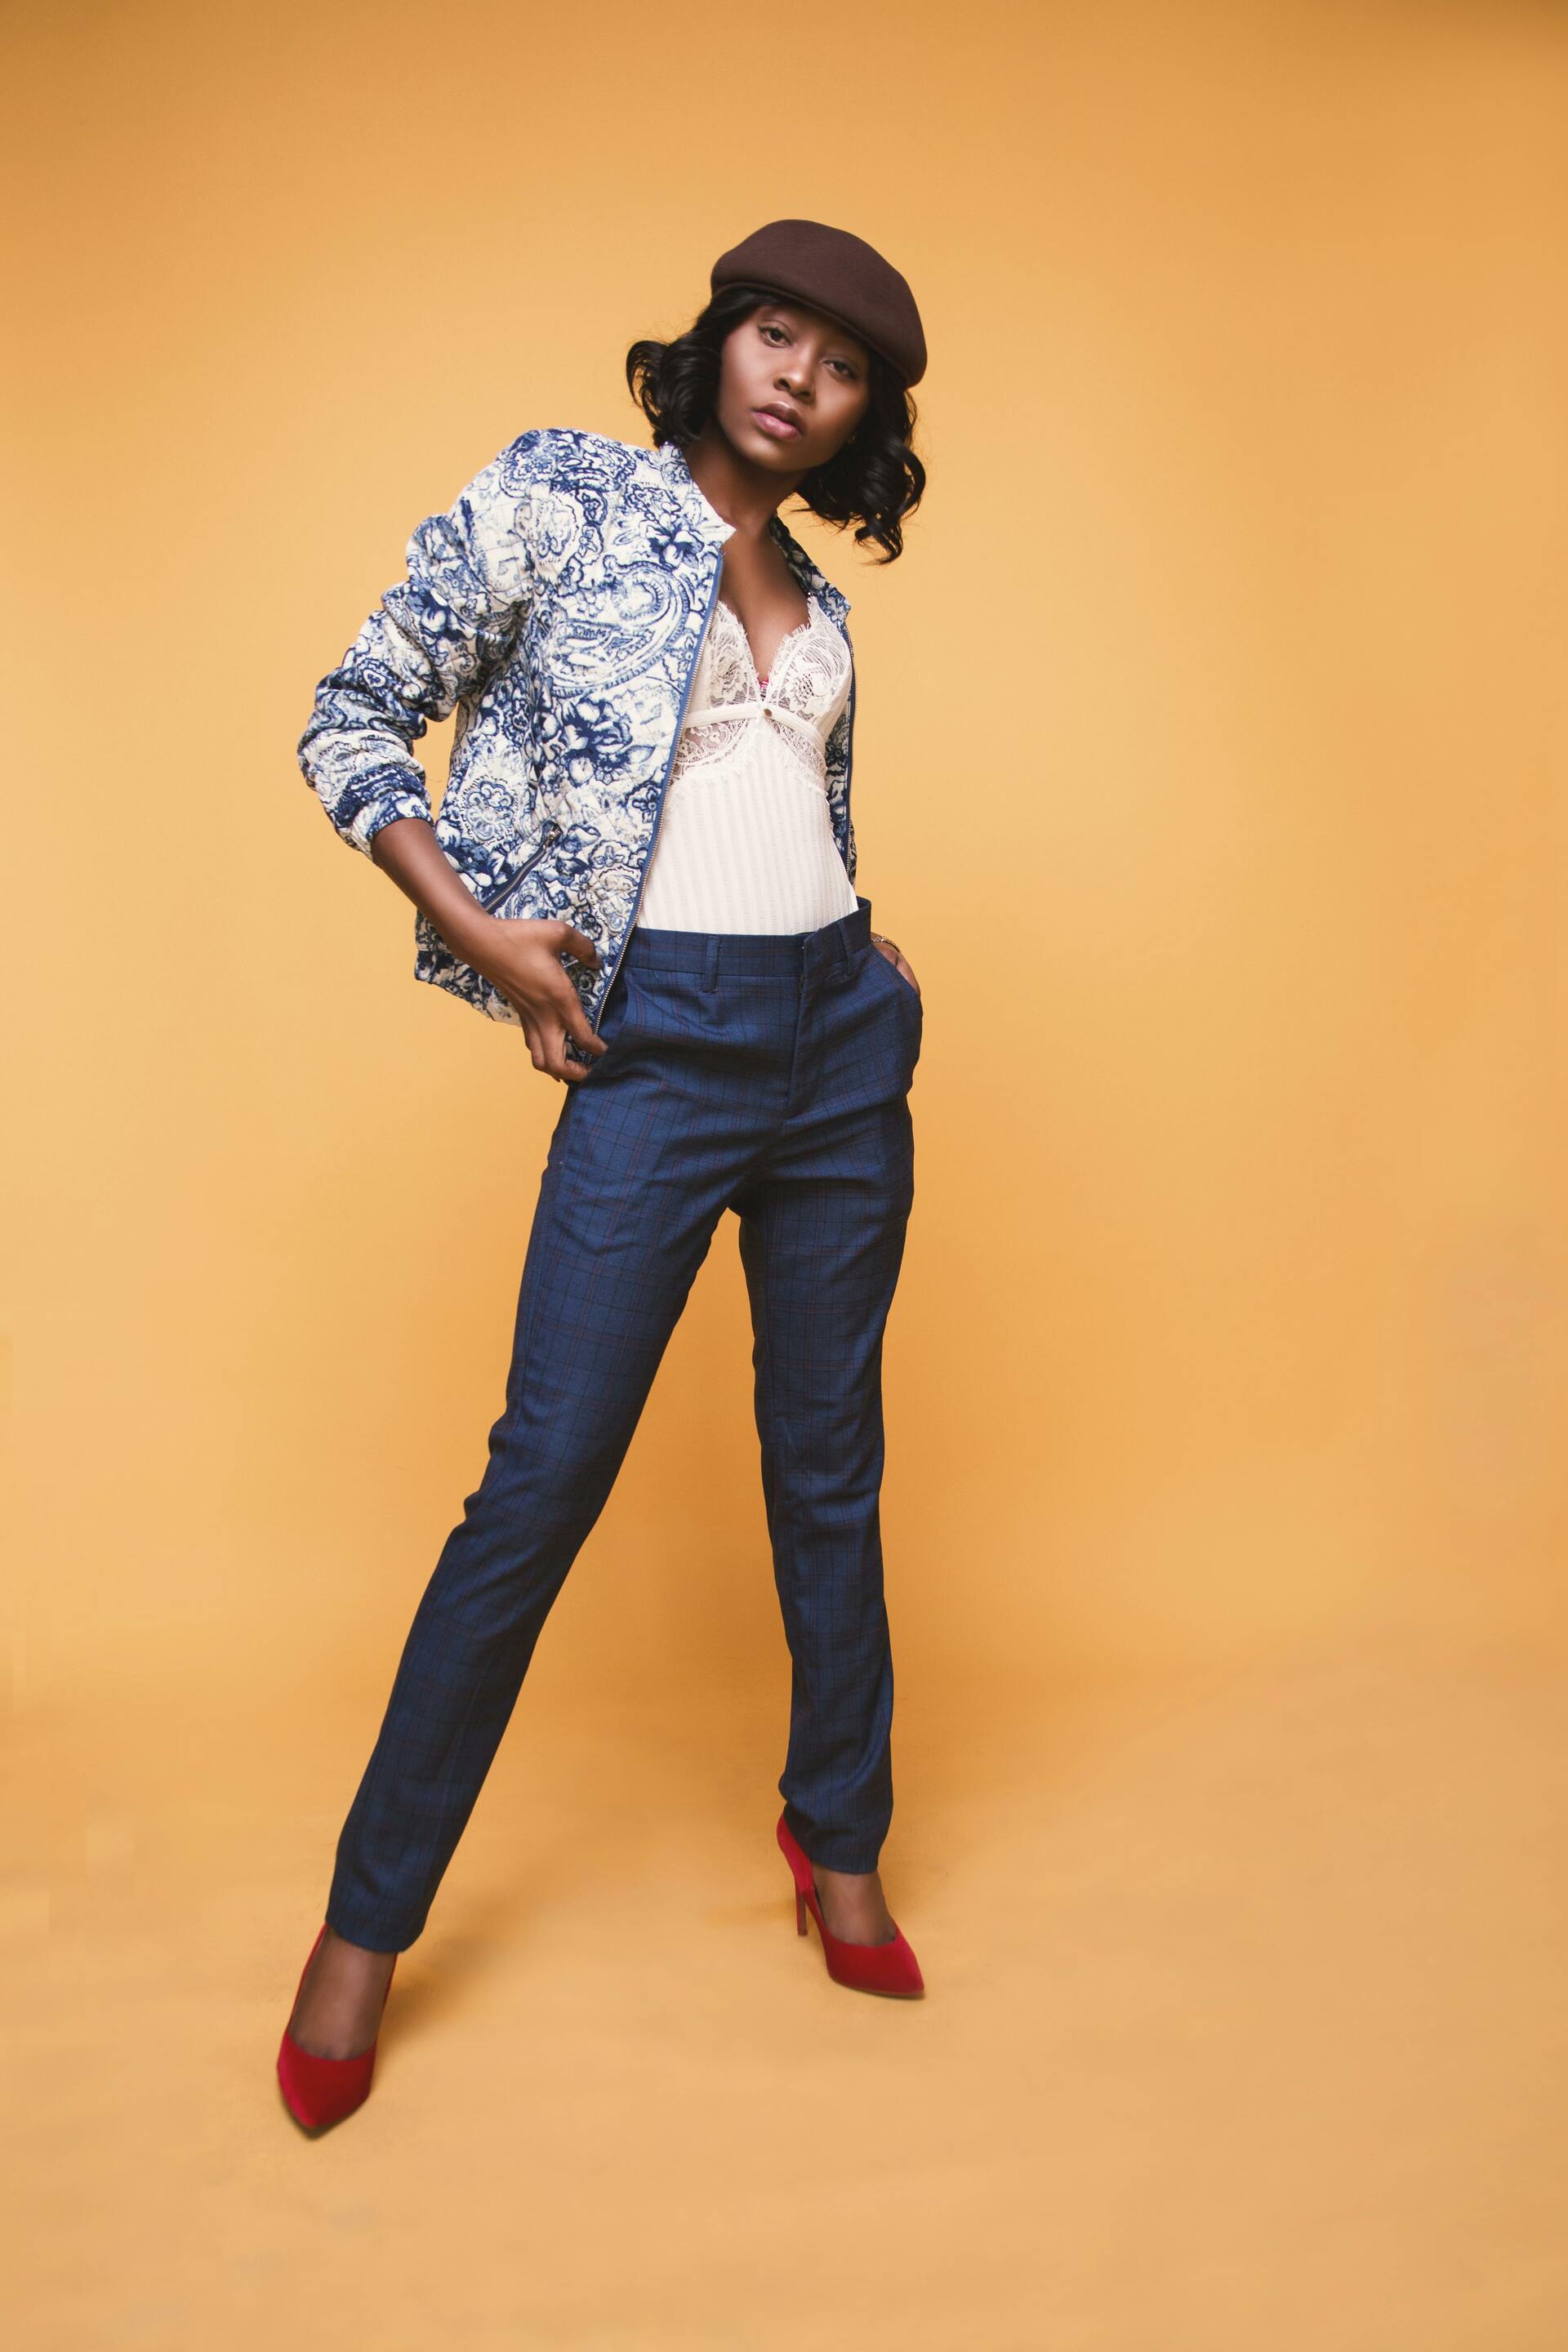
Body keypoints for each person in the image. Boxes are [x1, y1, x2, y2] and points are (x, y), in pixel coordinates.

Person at [276, 220, 932, 2132]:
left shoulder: (815, 589)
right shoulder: (564, 497)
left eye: (843, 366)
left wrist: (863, 952)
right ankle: (363, 1928)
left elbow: (771, 802)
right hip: (659, 1053)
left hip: (839, 1048)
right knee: (541, 1479)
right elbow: (348, 715)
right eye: (778, 333)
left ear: (866, 417)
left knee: (829, 1466)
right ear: (722, 339)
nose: (799, 377)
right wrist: (480, 932)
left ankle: (839, 1840)